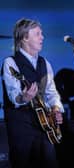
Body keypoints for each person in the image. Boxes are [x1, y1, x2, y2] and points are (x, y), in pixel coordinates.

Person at [1, 18, 64, 168]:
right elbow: (13, 95)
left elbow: (51, 92)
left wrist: (56, 109)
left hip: (44, 126)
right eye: (37, 34)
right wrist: (25, 97)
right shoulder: (11, 63)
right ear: (24, 38)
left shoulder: (45, 63)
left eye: (41, 34)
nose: (42, 37)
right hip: (21, 125)